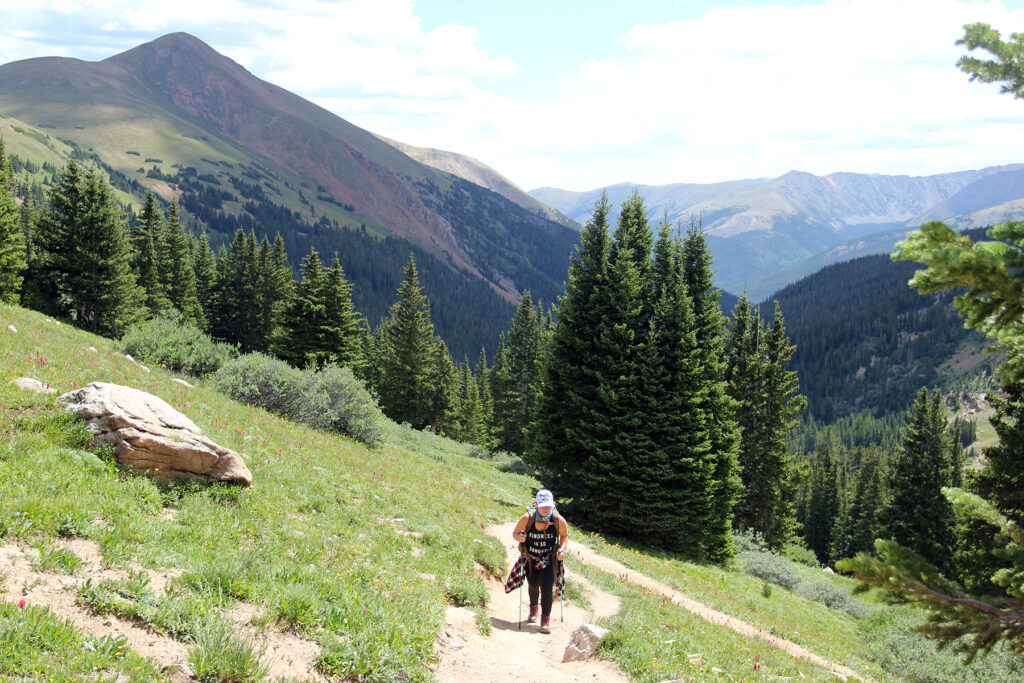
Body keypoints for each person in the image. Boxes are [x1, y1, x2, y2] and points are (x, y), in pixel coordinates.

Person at [512, 489, 568, 633]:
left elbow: (564, 535)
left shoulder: (557, 519)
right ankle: (533, 610)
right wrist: (520, 538)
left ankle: (545, 620)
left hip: (548, 559)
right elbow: (515, 534)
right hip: (531, 559)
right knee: (533, 585)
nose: (545, 509)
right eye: (542, 506)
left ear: (552, 505)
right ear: (537, 504)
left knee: (547, 588)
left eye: (548, 506)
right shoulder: (527, 518)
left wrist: (562, 550)